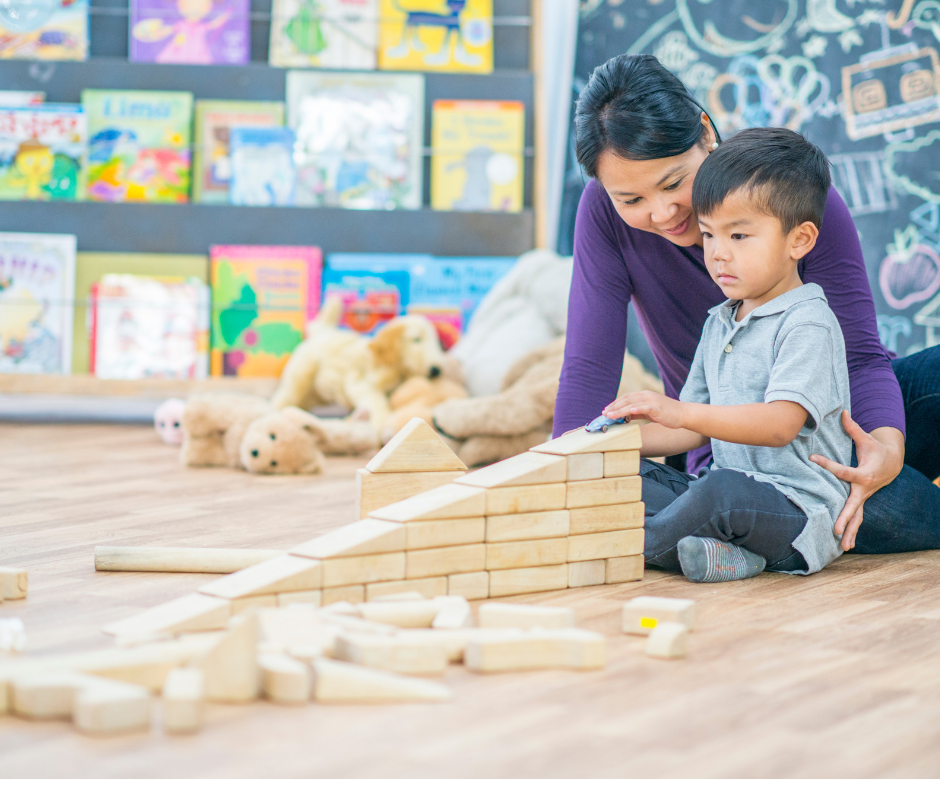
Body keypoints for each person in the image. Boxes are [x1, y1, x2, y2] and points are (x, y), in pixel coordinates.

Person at [556, 53, 940, 555]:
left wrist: (884, 450)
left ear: (705, 133)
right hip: (733, 449)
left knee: (879, 479)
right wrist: (567, 457)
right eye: (631, 200)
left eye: (674, 183)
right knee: (811, 503)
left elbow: (861, 357)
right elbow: (587, 369)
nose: (663, 212)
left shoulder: (790, 196)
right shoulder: (602, 216)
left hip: (841, 417)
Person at [613, 127, 848, 581]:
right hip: (732, 499)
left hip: (794, 513)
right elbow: (691, 433)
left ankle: (625, 544)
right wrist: (609, 442)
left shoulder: (807, 321)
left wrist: (679, 412)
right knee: (628, 472)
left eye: (739, 236)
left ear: (799, 240)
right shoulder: (720, 320)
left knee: (719, 492)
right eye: (709, 236)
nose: (719, 254)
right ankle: (719, 554)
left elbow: (781, 425)